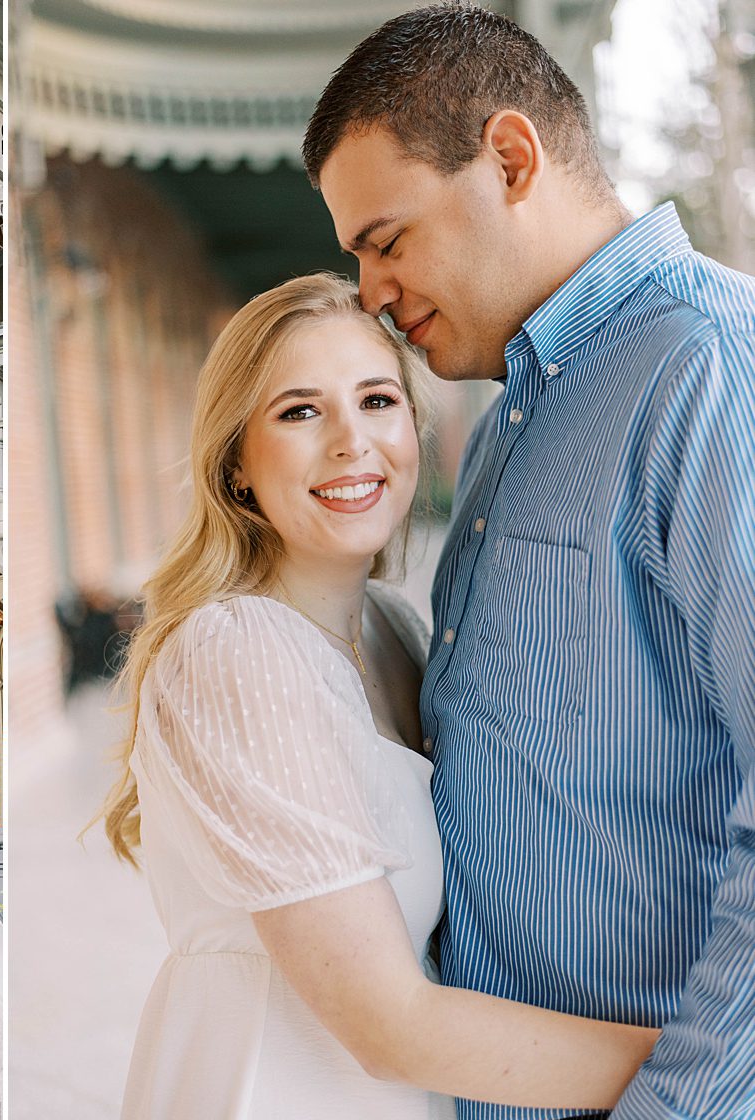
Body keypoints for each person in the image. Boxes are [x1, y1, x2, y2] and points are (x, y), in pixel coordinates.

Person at [302, 6, 755, 1118]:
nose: (372, 295)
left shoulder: (711, 373)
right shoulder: (519, 414)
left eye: (387, 240)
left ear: (510, 158)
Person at [104, 273, 658, 1119]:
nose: (351, 443)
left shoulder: (396, 635)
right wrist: (700, 1067)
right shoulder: (237, 651)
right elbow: (387, 1026)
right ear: (238, 466)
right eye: (299, 412)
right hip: (282, 1090)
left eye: (377, 400)